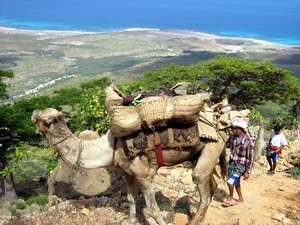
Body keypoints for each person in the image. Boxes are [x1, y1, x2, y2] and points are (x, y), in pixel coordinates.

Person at [223, 118, 254, 207]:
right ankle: (240, 198)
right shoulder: (233, 137)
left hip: (240, 165)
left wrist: (247, 171)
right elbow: (226, 145)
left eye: (237, 128)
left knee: (230, 181)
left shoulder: (248, 141)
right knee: (236, 182)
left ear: (242, 129)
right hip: (232, 163)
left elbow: (250, 158)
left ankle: (230, 197)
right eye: (234, 128)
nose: (234, 130)